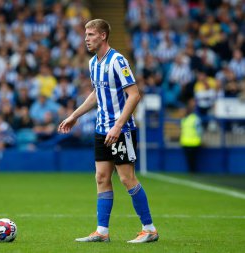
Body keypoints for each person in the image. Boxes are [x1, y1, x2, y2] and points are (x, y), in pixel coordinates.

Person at [58, 19, 158, 243]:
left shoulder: (118, 60)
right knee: (101, 177)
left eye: (91, 34)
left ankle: (149, 229)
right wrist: (74, 116)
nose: (86, 38)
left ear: (103, 36)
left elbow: (134, 95)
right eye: (86, 34)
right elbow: (97, 93)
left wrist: (118, 125)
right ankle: (102, 231)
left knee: (126, 178)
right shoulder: (93, 63)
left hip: (121, 129)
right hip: (101, 129)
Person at [180, 99, 202, 173]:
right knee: (190, 160)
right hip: (186, 142)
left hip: (193, 142)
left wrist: (200, 139)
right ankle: (191, 172)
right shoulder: (184, 119)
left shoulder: (195, 119)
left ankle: (193, 172)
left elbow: (199, 130)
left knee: (193, 160)